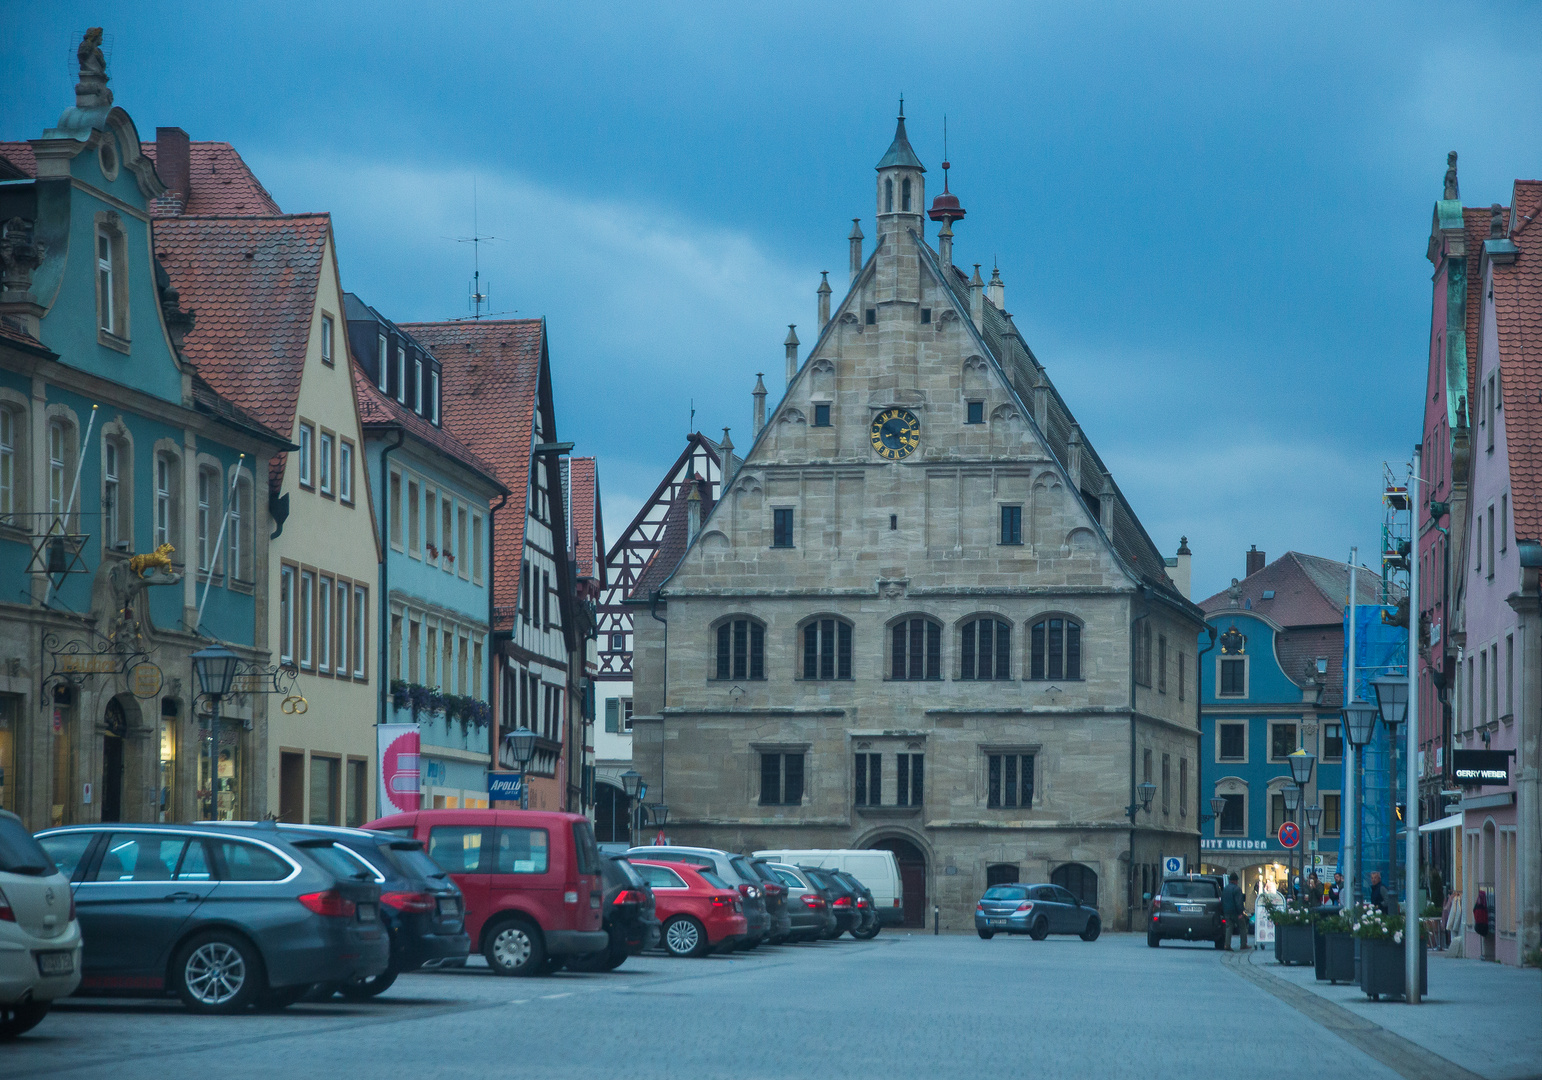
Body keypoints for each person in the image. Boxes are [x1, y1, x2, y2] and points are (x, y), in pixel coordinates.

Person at [1223, 872, 1247, 950]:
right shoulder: (1237, 889)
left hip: (1227, 912)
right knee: (1242, 927)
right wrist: (1240, 913)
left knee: (1229, 928)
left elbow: (1223, 900)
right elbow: (1239, 902)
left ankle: (1227, 945)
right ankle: (1243, 944)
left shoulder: (1225, 888)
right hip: (1235, 912)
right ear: (1236, 881)